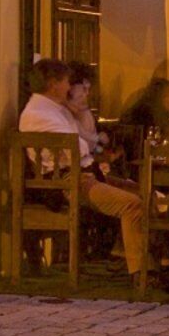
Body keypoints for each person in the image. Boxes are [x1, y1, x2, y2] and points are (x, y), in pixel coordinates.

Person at [16, 57, 146, 273]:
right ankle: (140, 271)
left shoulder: (55, 110)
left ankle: (126, 256)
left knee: (146, 194)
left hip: (82, 175)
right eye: (66, 82)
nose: (69, 87)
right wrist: (85, 144)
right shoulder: (39, 114)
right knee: (132, 204)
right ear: (53, 84)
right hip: (68, 183)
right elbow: (78, 149)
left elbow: (85, 144)